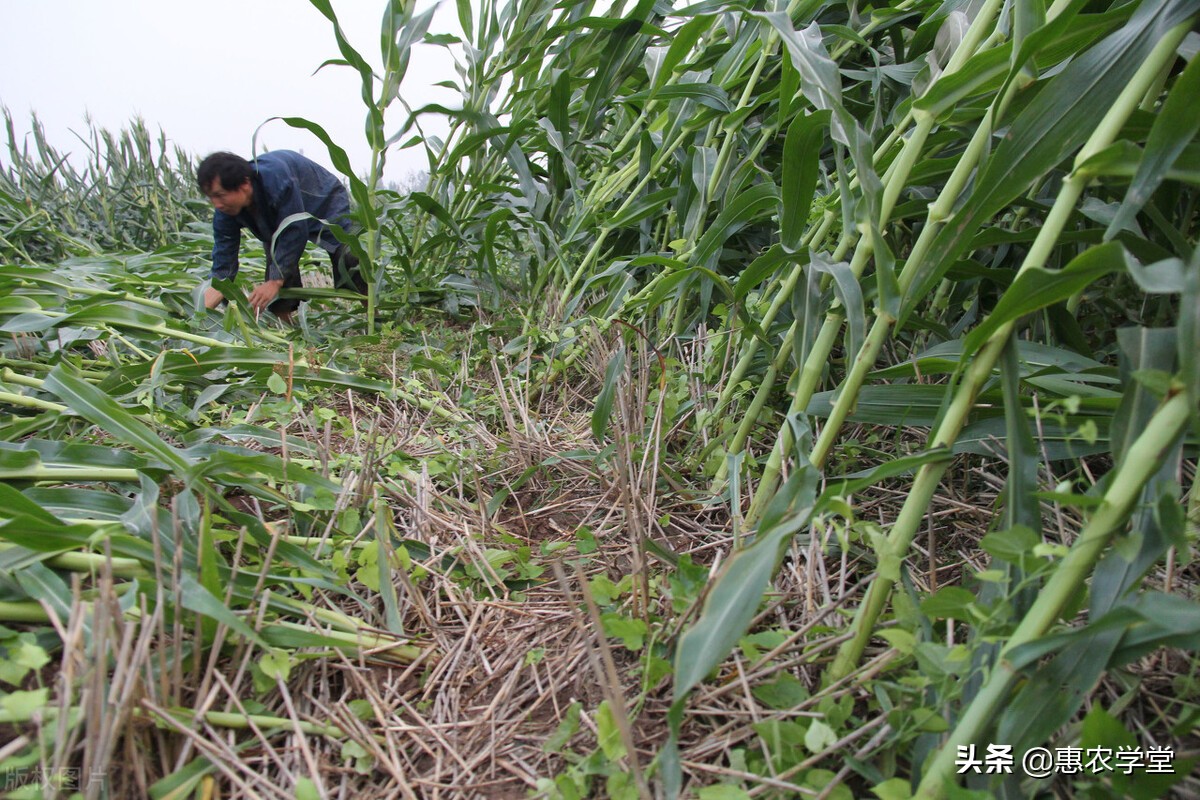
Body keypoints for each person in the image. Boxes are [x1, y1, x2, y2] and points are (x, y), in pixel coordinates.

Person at [197, 150, 367, 322]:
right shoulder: (224, 213)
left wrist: (275, 281)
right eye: (211, 197)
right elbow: (223, 266)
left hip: (323, 198)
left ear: (244, 184)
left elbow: (294, 230)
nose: (216, 204)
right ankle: (288, 331)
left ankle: (372, 314)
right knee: (277, 260)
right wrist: (198, 312)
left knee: (347, 254)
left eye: (220, 195)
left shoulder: (276, 180)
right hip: (281, 218)